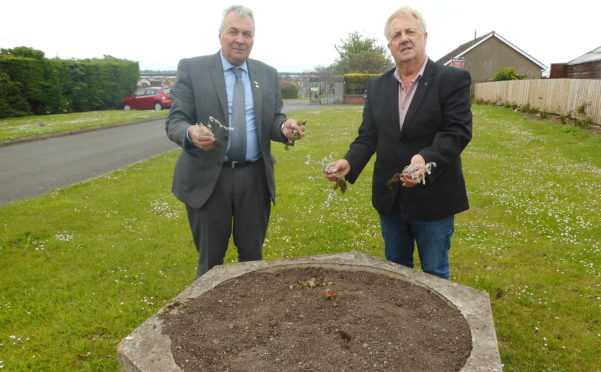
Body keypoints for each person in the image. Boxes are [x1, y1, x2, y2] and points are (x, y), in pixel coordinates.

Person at [324, 6, 472, 280]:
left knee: (435, 273)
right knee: (396, 272)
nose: (404, 38)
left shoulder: (452, 80)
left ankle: (433, 324)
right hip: (390, 198)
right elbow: (368, 136)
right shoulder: (377, 86)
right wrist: (349, 161)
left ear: (424, 37)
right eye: (396, 35)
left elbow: (456, 132)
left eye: (410, 32)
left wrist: (423, 160)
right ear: (389, 45)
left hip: (434, 197)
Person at [166, 5, 305, 278]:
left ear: (253, 39)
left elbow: (274, 118)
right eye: (233, 31)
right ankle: (206, 316)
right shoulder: (193, 69)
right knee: (211, 262)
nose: (240, 39)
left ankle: (252, 317)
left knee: (252, 260)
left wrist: (284, 127)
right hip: (209, 180)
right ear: (220, 34)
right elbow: (175, 120)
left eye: (247, 34)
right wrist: (191, 133)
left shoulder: (267, 74)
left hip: (254, 179)